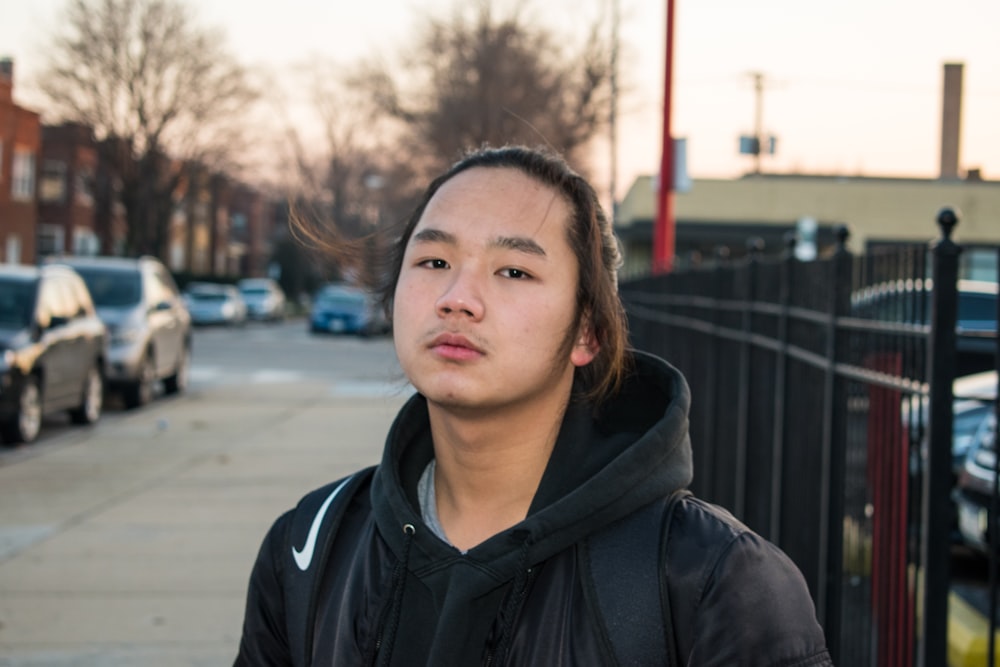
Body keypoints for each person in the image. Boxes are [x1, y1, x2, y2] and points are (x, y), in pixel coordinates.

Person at [234, 145, 834, 666]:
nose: (457, 298)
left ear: (587, 333)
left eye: (514, 270)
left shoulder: (712, 580)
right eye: (434, 261)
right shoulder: (310, 548)